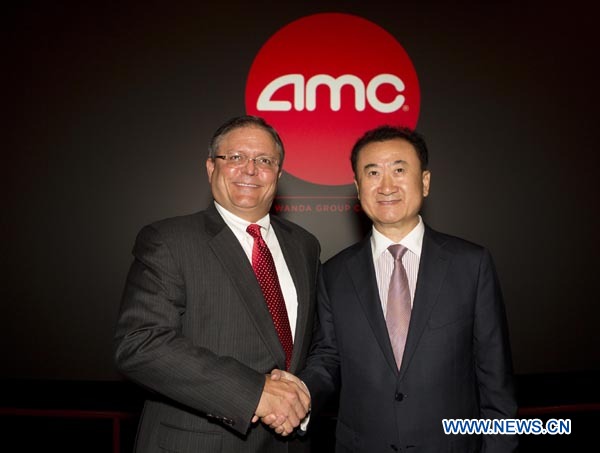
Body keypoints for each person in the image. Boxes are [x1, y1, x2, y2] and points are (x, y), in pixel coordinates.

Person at [277, 125, 518, 452]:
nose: (386, 185)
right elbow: (327, 359)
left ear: (425, 182)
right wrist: (299, 395)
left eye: (399, 170)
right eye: (373, 172)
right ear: (358, 188)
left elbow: (495, 379)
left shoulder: (471, 264)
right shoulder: (334, 274)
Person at [114, 115, 319, 453]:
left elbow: (309, 349)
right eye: (235, 157)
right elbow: (141, 344)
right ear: (211, 168)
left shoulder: (305, 245)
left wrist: (298, 403)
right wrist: (255, 394)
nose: (250, 169)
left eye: (264, 160)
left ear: (279, 175)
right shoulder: (168, 240)